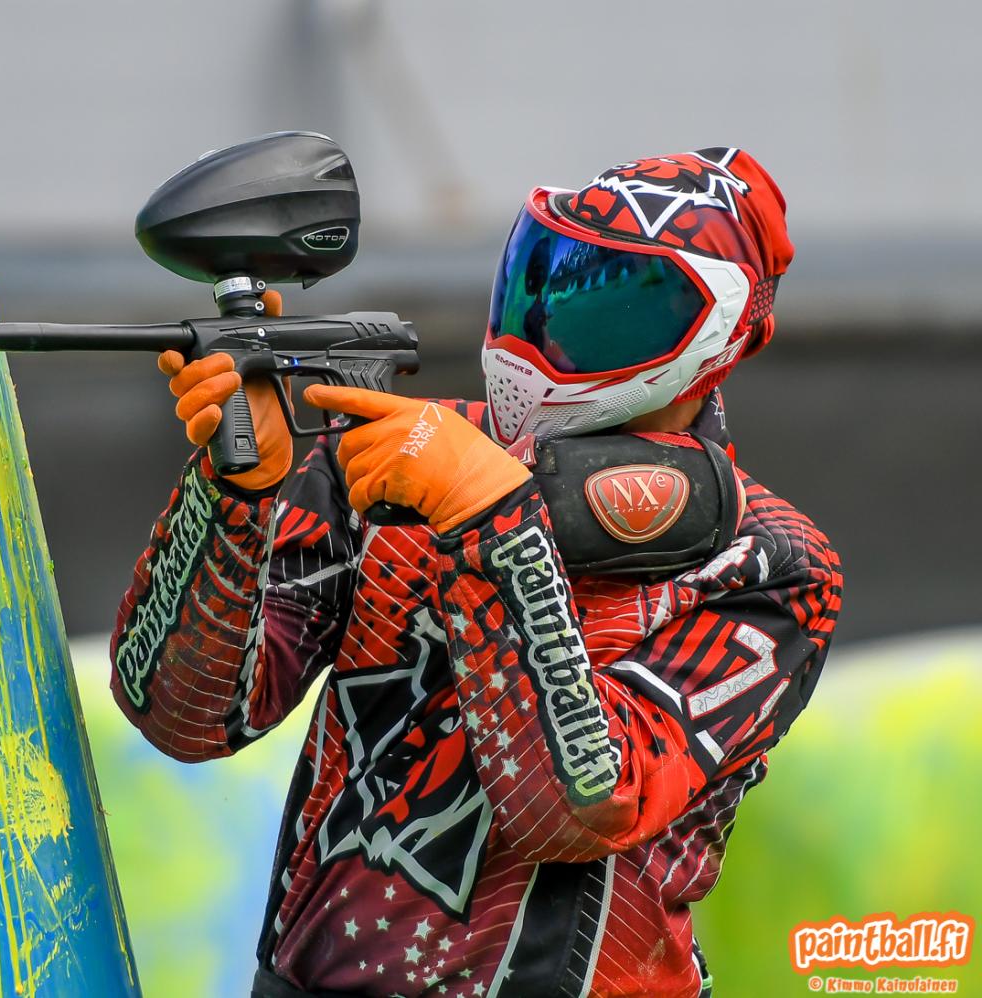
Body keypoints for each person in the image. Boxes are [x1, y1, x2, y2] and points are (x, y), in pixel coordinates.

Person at [110, 147, 843, 997]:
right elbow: (186, 718)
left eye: (613, 303)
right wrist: (237, 495)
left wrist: (489, 523)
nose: (553, 329)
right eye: (546, 283)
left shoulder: (771, 563)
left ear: (720, 332)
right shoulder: (392, 460)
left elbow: (578, 806)